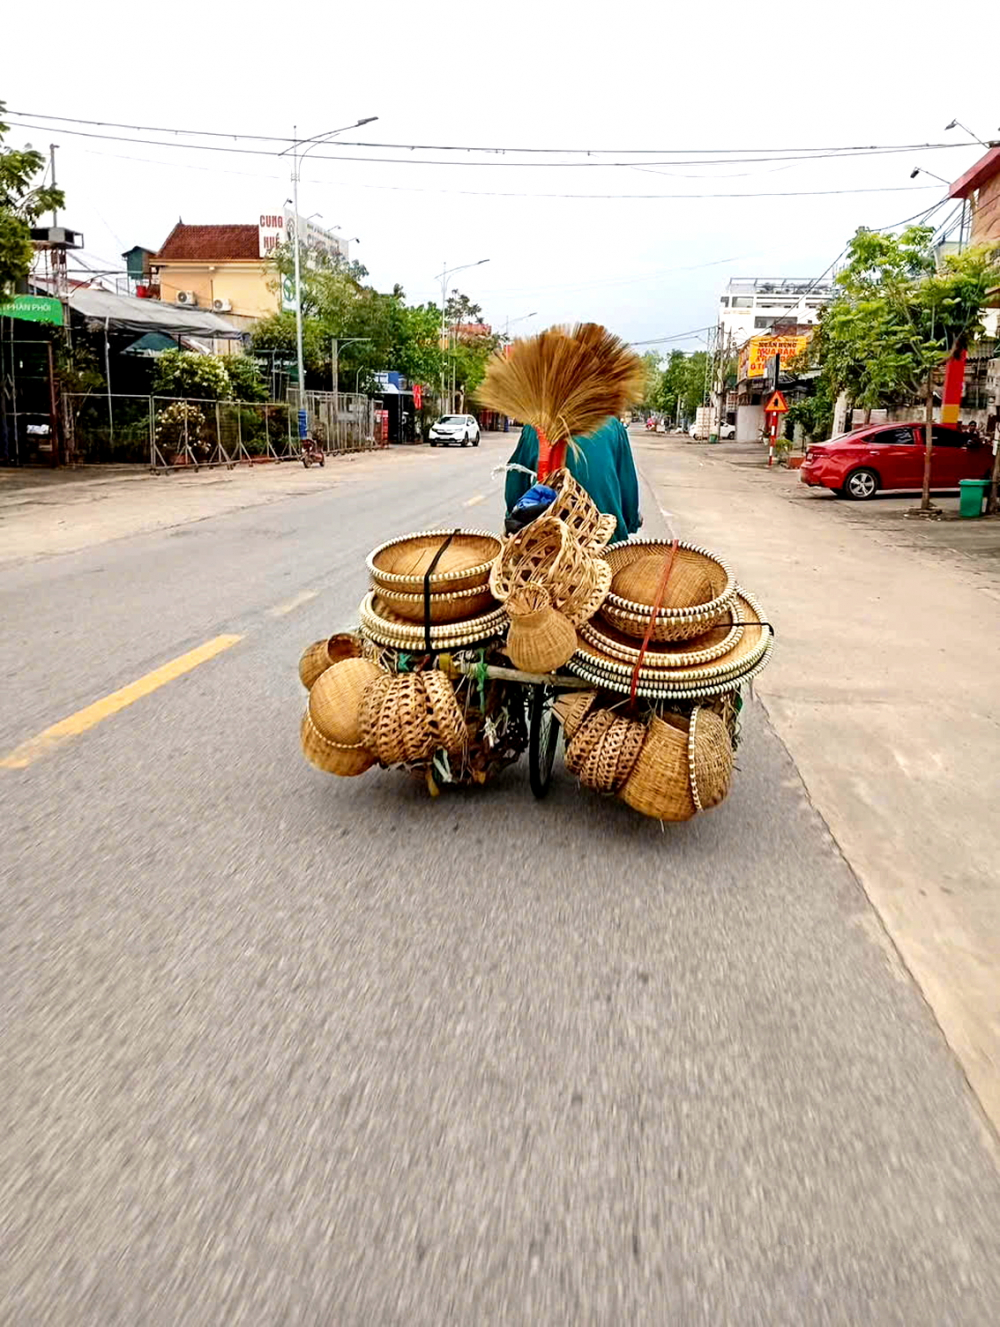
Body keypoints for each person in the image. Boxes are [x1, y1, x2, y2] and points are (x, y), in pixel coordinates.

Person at [504, 416, 641, 544]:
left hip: (545, 541)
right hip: (605, 538)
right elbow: (627, 487)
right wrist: (631, 520)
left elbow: (515, 482)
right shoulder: (612, 426)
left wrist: (513, 517)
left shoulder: (535, 425)